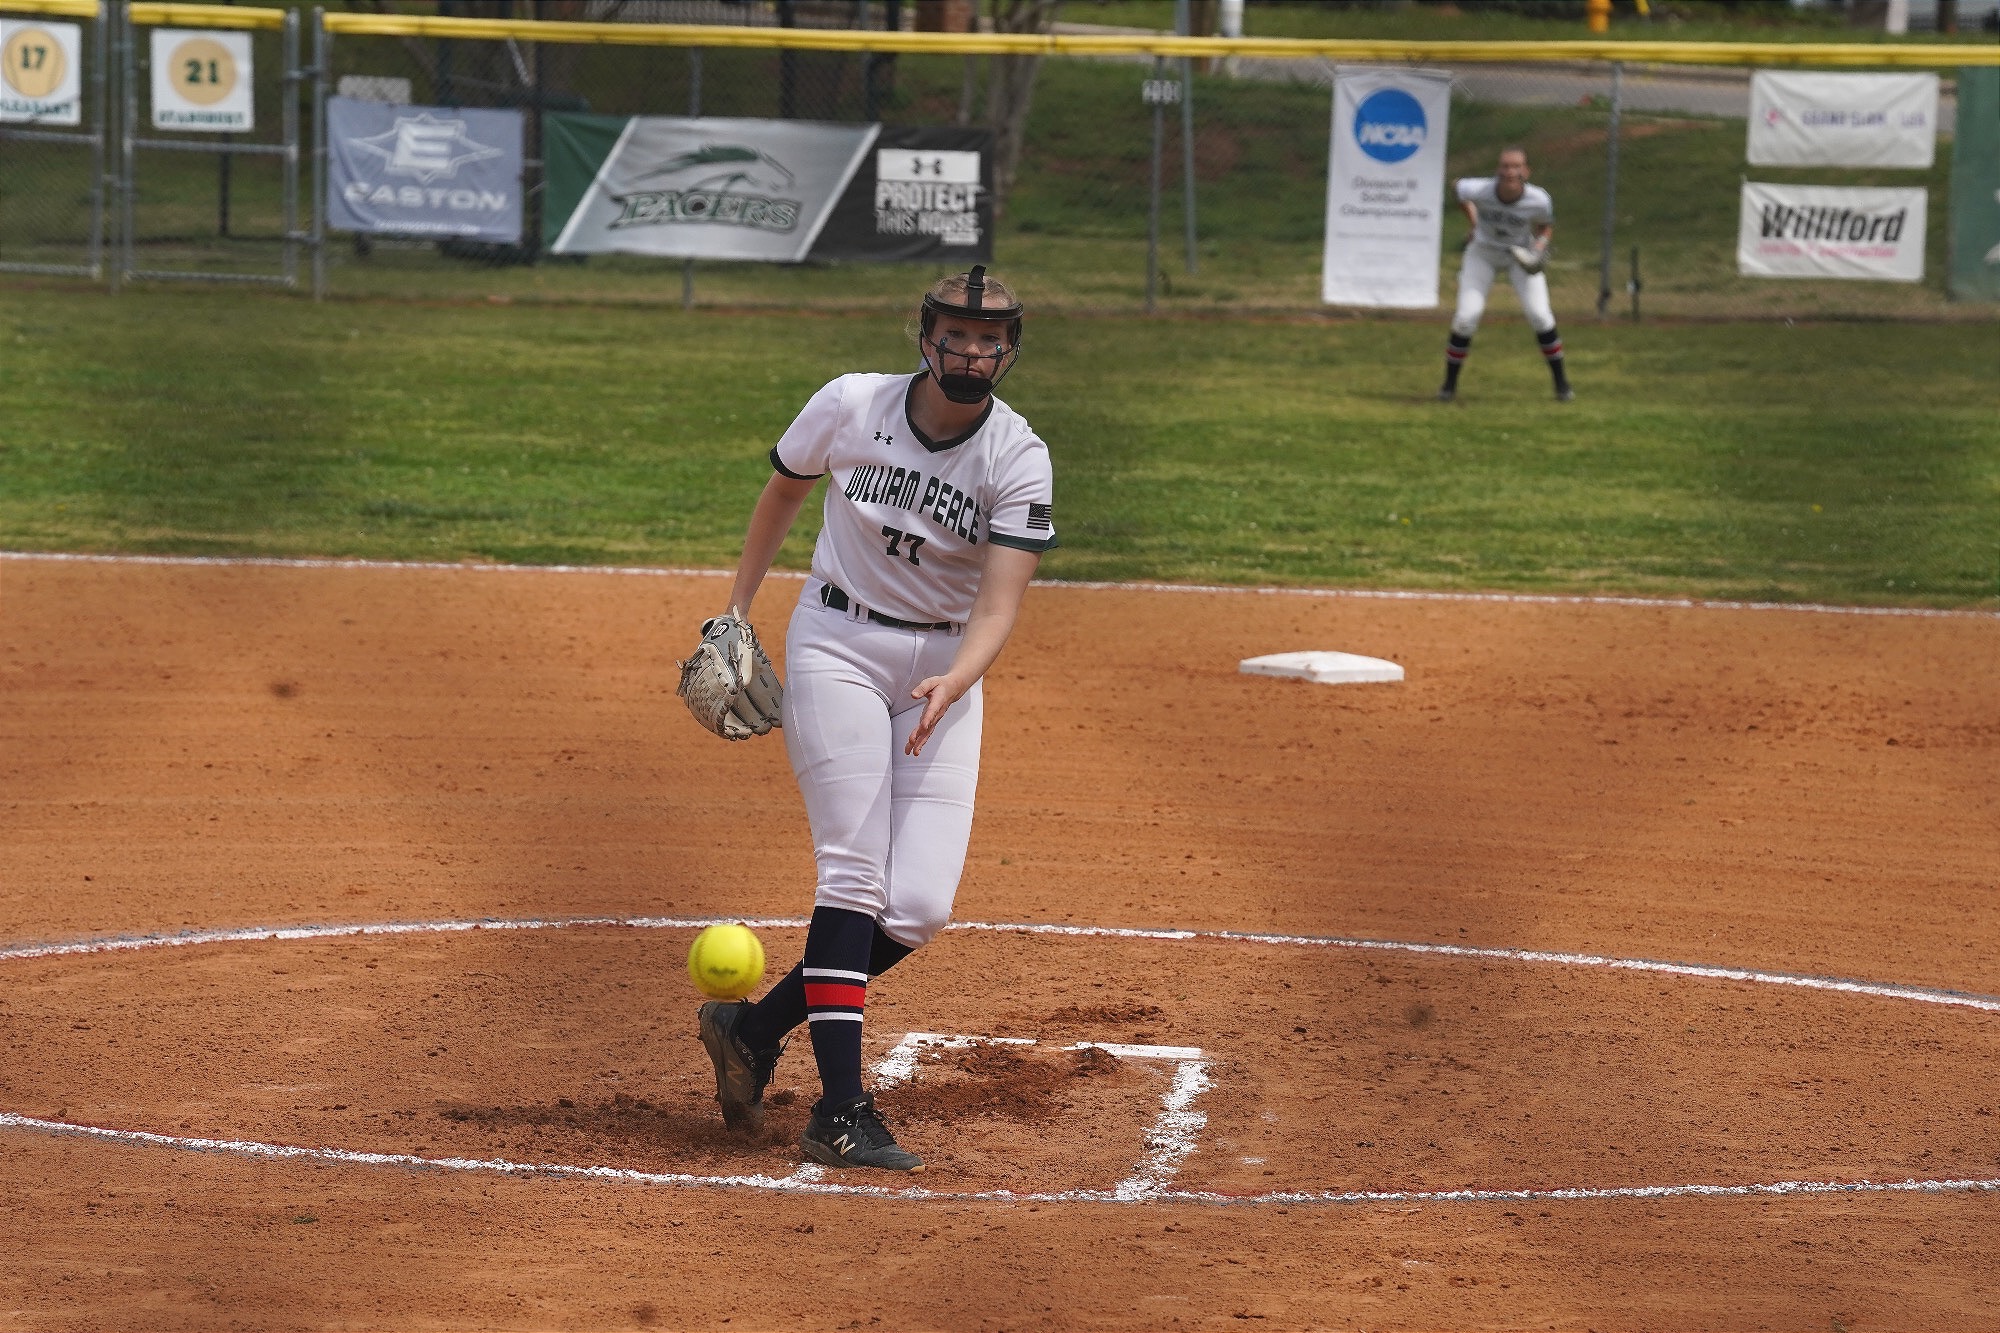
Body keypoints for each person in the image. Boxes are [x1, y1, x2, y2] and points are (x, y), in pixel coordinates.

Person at [695, 267, 1056, 1173]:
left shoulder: (1017, 456)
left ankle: (752, 1030)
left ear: (1010, 349)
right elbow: (783, 492)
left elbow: (1000, 602)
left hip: (944, 670)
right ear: (925, 336)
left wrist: (956, 679)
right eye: (957, 334)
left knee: (920, 906)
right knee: (853, 875)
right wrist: (736, 608)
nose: (972, 352)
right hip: (839, 645)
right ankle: (840, 1110)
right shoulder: (852, 405)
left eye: (990, 339)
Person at [1438, 146, 1574, 403]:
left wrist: (1539, 246)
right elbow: (1457, 188)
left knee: (1540, 316)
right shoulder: (1481, 189)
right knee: (1466, 317)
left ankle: (1562, 384)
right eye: (1505, 166)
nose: (1510, 172)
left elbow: (1545, 225)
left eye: (1516, 166)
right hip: (1483, 253)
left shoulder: (1538, 199)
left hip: (1518, 255)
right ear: (1497, 170)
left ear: (1526, 171)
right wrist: (1473, 220)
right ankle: (1448, 386)